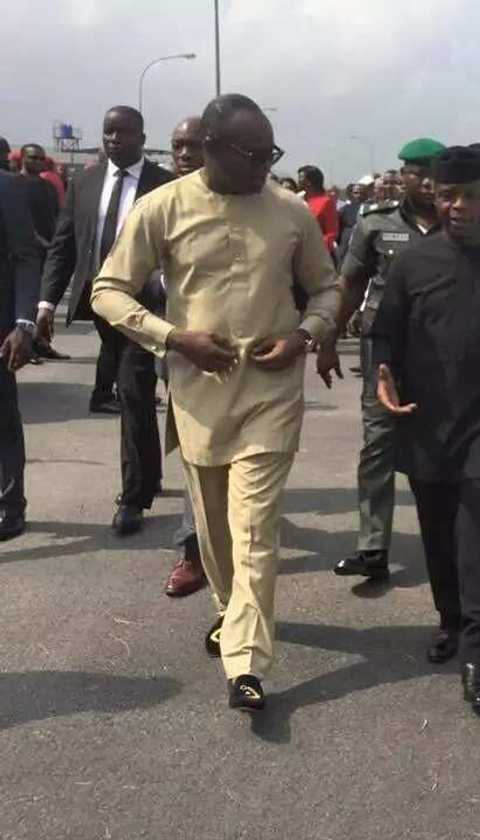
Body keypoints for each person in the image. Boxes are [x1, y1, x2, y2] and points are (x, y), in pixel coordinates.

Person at [90, 93, 340, 712]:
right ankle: (232, 614)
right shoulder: (162, 208)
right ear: (210, 149)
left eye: (270, 154)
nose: (264, 166)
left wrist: (304, 337)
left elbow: (328, 290)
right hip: (198, 398)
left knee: (254, 528)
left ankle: (246, 665)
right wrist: (174, 338)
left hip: (271, 394)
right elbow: (107, 290)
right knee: (216, 536)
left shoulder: (290, 212)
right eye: (253, 156)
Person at [370, 147, 480, 710]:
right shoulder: (412, 264)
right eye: (447, 196)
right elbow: (383, 333)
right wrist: (382, 374)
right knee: (438, 533)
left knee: (479, 534)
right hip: (427, 421)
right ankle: (449, 619)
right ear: (432, 197)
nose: (457, 206)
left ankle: (479, 648)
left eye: (469, 196)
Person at [37, 105, 175, 535]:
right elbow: (64, 245)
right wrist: (45, 304)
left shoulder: (164, 184)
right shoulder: (85, 181)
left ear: (141, 135)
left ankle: (133, 497)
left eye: (123, 132)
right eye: (107, 132)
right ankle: (147, 475)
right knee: (129, 390)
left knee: (133, 390)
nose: (114, 139)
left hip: (143, 307)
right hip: (98, 304)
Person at [317, 137, 445, 582]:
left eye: (434, 172)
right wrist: (329, 339)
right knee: (377, 447)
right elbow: (348, 285)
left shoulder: (461, 224)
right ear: (402, 175)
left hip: (442, 356)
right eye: (417, 171)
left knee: (438, 450)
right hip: (384, 351)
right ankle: (373, 547)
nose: (426, 181)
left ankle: (446, 545)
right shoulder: (376, 224)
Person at [160, 115, 208, 599]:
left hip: (235, 355)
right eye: (178, 145)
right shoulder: (156, 203)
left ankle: (211, 551)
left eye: (194, 145)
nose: (185, 154)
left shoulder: (250, 202)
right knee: (191, 454)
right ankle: (193, 551)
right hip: (170, 345)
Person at [0, 169, 41, 541]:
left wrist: (23, 323)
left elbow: (27, 255)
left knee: (2, 421)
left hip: (0, 328)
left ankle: (10, 505)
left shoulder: (6, 186)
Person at [17, 144, 68, 363]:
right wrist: (40, 241)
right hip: (25, 254)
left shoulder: (46, 186)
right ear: (22, 158)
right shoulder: (15, 185)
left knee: (44, 303)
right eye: (33, 158)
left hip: (48, 252)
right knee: (25, 304)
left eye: (41, 158)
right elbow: (19, 222)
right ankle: (24, 347)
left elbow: (59, 217)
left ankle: (41, 343)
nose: (37, 162)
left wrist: (56, 244)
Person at [297, 165, 340, 259]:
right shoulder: (297, 199)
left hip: (319, 255)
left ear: (310, 181)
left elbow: (332, 233)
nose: (298, 180)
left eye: (301, 178)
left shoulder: (326, 202)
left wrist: (314, 248)